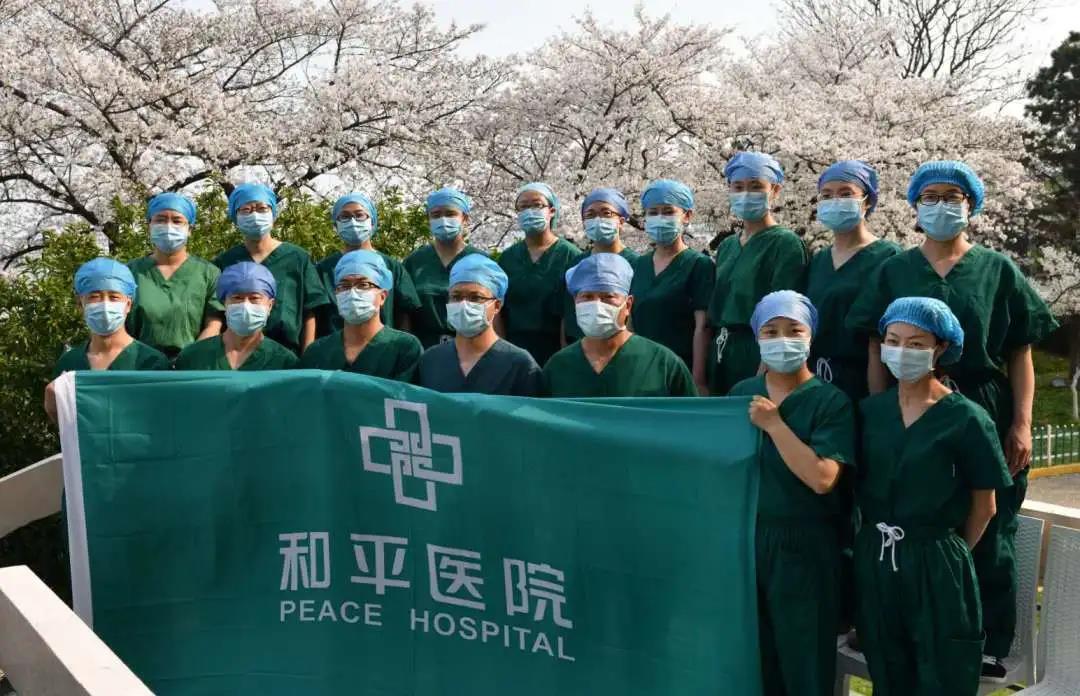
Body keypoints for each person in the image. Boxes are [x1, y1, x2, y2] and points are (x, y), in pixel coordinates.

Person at [845, 160, 1059, 677]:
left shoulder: (997, 269)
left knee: (991, 518)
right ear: (915, 205)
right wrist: (883, 412)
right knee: (900, 510)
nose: (941, 205)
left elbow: (1020, 353)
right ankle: (887, 622)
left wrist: (1021, 423)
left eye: (952, 196)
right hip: (906, 402)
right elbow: (875, 345)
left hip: (983, 402)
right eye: (930, 196)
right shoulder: (893, 269)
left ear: (971, 205)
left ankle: (983, 637)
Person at [854, 297, 1010, 695]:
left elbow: (985, 507)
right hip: (876, 558)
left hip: (937, 562)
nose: (902, 351)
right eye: (893, 340)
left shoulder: (967, 418)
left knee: (942, 675)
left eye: (916, 343)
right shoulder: (871, 413)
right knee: (887, 670)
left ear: (940, 348)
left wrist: (943, 556)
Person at [728, 291, 855, 696]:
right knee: (753, 659)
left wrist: (775, 426)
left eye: (793, 330)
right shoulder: (741, 394)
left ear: (811, 336)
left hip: (806, 547)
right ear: (756, 337)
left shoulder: (830, 402)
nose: (782, 339)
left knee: (805, 661)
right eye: (771, 331)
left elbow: (822, 478)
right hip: (748, 540)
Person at [709, 151, 809, 395]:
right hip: (722, 349)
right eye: (738, 187)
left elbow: (784, 313)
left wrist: (765, 371)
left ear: (774, 190)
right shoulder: (728, 246)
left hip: (759, 349)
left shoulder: (785, 244)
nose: (746, 194)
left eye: (755, 186)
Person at [805, 161, 900, 401]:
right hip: (815, 380)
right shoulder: (818, 260)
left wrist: (877, 404)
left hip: (866, 380)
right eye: (827, 195)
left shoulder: (888, 258)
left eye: (846, 193)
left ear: (867, 201)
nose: (835, 201)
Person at [543, 253, 697, 397]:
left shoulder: (662, 365)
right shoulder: (558, 367)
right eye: (587, 296)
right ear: (575, 302)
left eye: (607, 297)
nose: (597, 305)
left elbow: (690, 415)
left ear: (628, 305)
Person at [45, 259, 169, 421]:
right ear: (80, 305)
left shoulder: (151, 362)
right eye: (94, 297)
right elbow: (67, 424)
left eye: (114, 297)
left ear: (128, 304)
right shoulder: (69, 363)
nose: (104, 305)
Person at [213, 183, 330, 355]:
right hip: (235, 352)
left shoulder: (297, 258)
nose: (254, 215)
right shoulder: (226, 261)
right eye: (246, 210)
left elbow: (310, 311)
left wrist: (307, 355)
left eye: (262, 208)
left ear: (273, 214)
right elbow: (216, 313)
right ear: (235, 217)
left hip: (287, 353)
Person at [630, 179, 714, 394]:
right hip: (641, 368)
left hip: (680, 369)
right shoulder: (639, 265)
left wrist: (698, 380)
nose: (660, 218)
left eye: (668, 212)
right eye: (653, 212)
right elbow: (629, 322)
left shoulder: (698, 265)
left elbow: (702, 327)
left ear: (687, 216)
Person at [416, 254, 542, 396]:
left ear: (497, 305)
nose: (464, 305)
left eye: (475, 298)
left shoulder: (520, 365)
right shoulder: (431, 361)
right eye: (456, 297)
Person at [126, 192, 223, 358]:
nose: (168, 226)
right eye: (160, 220)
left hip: (191, 364)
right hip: (139, 364)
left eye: (177, 221)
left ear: (190, 229)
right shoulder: (130, 272)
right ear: (149, 226)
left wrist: (188, 359)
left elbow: (214, 325)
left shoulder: (208, 273)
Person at [301, 250, 422, 381]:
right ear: (336, 295)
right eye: (344, 286)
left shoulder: (404, 348)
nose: (352, 292)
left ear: (382, 296)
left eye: (363, 285)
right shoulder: (317, 352)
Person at [496, 182, 581, 366]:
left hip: (556, 350)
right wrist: (501, 352)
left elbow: (570, 313)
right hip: (513, 350)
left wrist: (564, 359)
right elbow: (497, 310)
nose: (530, 211)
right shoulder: (508, 258)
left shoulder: (570, 256)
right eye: (523, 207)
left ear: (551, 211)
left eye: (536, 205)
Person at [315, 192, 420, 336]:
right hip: (334, 345)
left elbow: (405, 313)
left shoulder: (391, 267)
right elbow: (315, 314)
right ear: (335, 224)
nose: (353, 222)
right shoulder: (324, 269)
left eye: (360, 215)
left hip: (384, 344)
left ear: (372, 221)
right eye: (344, 217)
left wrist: (400, 344)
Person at [403, 187, 487, 348]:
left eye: (450, 214)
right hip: (422, 348)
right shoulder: (415, 262)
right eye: (436, 215)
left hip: (470, 346)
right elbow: (404, 312)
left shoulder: (480, 261)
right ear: (428, 219)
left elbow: (494, 310)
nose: (443, 220)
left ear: (465, 218)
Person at [175, 262, 298, 371]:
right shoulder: (193, 357)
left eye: (254, 298)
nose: (245, 305)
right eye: (237, 298)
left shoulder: (284, 362)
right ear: (224, 303)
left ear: (270, 305)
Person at [562, 187, 640, 344]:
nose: (598, 219)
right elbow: (566, 315)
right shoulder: (576, 264)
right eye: (590, 215)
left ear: (621, 221)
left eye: (606, 213)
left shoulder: (637, 264)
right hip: (577, 346)